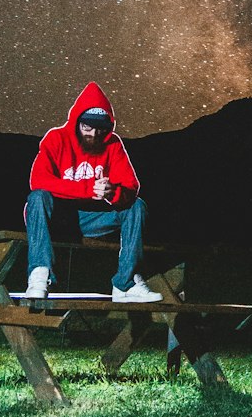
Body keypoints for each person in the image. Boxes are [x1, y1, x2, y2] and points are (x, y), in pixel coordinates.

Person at [22, 81, 162, 303]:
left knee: (137, 206)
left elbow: (131, 186)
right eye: (87, 127)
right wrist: (87, 189)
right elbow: (38, 180)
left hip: (93, 219)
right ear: (77, 122)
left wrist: (113, 191)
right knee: (37, 197)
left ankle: (125, 284)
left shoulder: (112, 144)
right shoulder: (56, 139)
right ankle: (40, 274)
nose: (94, 134)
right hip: (60, 218)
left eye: (100, 128)